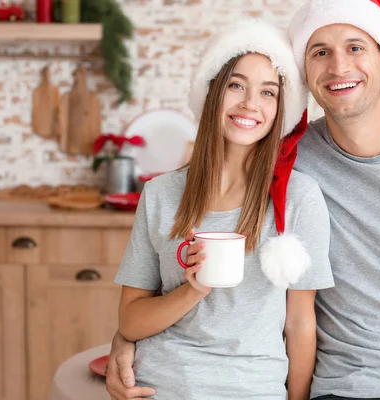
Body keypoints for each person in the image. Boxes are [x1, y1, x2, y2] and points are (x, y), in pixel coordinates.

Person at [107, 0, 380, 399]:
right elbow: (167, 260)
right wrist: (127, 343)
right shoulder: (290, 159)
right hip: (338, 386)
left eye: (355, 47)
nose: (338, 66)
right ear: (304, 73)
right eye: (320, 51)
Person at [111, 19, 335, 400]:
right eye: (236, 85)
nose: (250, 103)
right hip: (161, 386)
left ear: (281, 109)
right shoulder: (161, 194)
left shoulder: (299, 198)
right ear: (213, 90)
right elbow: (130, 322)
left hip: (253, 389)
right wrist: (192, 290)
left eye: (268, 92)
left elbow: (300, 324)